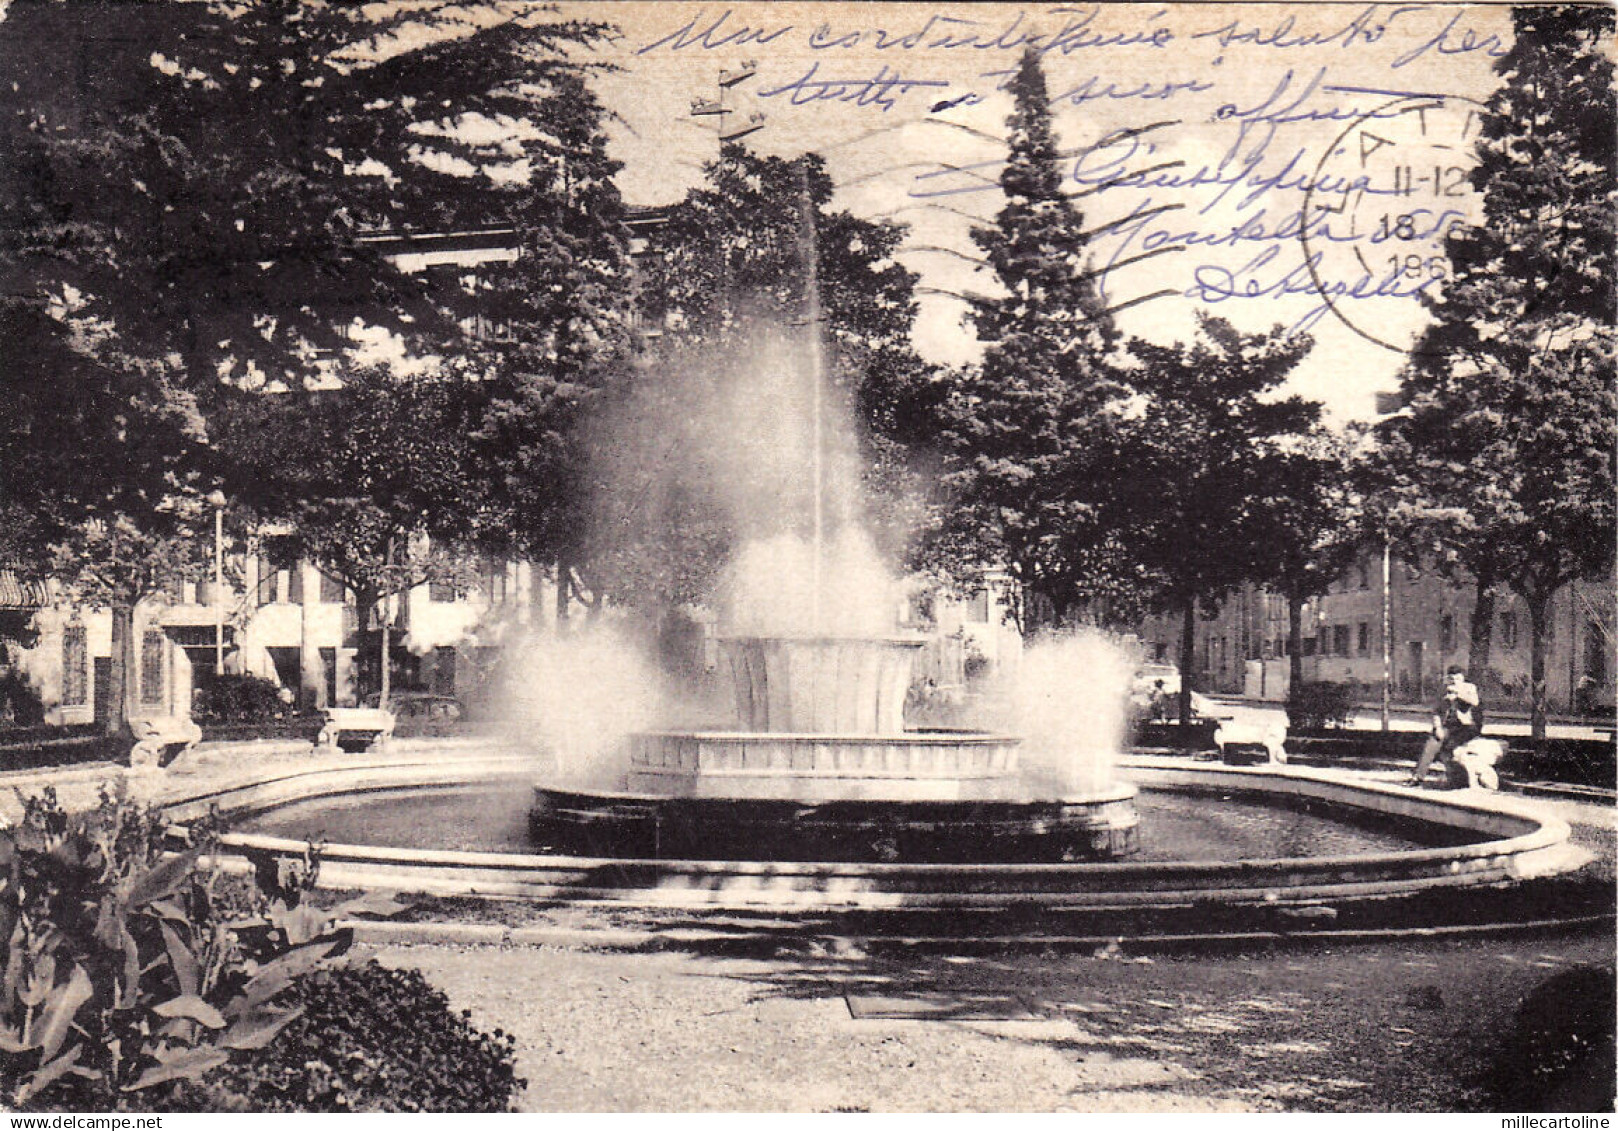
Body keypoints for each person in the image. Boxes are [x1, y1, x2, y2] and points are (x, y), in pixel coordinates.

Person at [1410, 665, 1482, 785]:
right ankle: (1418, 777)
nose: (1455, 681)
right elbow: (1437, 711)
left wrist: (1458, 694)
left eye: (1458, 679)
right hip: (1447, 725)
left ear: (1463, 678)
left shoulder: (1470, 688)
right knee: (1432, 743)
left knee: (1449, 747)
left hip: (1465, 727)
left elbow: (1475, 702)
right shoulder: (1443, 690)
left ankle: (1455, 779)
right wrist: (1437, 728)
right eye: (1452, 679)